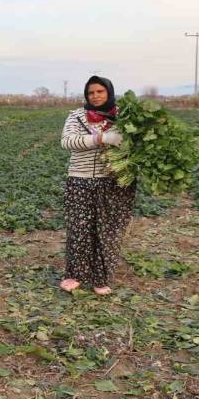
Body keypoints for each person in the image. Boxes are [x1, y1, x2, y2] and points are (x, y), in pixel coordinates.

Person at [59, 75, 134, 295]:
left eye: (100, 92)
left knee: (108, 230)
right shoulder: (77, 116)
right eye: (91, 92)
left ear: (109, 93)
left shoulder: (124, 116)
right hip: (80, 179)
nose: (95, 96)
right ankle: (75, 274)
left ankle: (101, 278)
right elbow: (67, 141)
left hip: (113, 181)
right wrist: (100, 139)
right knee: (79, 228)